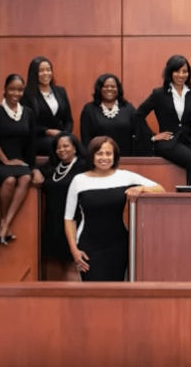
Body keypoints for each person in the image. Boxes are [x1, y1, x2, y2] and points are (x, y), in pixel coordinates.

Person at [64, 136, 165, 281]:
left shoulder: (125, 177)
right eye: (99, 153)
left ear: (115, 156)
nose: (104, 158)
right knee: (93, 290)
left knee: (117, 290)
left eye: (108, 153)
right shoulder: (79, 180)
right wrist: (74, 250)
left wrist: (141, 189)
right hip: (89, 246)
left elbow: (160, 189)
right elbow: (69, 218)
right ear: (92, 156)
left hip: (119, 246)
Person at [0, 73, 44, 245]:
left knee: (25, 178)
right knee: (9, 180)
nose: (15, 93)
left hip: (19, 162)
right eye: (12, 89)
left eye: (19, 90)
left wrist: (33, 167)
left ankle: (5, 223)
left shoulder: (28, 113)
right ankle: (4, 223)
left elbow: (31, 144)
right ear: (4, 90)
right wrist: (6, 161)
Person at [135, 54, 191, 185]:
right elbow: (138, 115)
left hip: (188, 140)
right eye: (177, 71)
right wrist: (153, 136)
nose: (181, 75)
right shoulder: (159, 94)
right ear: (170, 73)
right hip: (168, 143)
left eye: (185, 71)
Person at [40, 132, 88, 281]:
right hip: (54, 221)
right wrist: (35, 172)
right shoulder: (53, 166)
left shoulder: (83, 165)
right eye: (58, 147)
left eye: (66, 146)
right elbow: (35, 168)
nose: (62, 150)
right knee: (56, 263)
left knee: (74, 263)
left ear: (75, 148)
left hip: (74, 220)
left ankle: (78, 296)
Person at [21, 56, 74, 156]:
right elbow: (27, 124)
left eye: (48, 70)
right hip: (38, 137)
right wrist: (48, 131)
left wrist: (65, 135)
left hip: (61, 136)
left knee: (77, 146)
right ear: (34, 73)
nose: (46, 73)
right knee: (55, 145)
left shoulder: (60, 91)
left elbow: (68, 120)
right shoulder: (27, 94)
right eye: (41, 70)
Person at [80, 73, 143, 156]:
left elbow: (139, 132)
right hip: (100, 158)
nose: (109, 89)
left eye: (113, 86)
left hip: (126, 158)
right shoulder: (89, 109)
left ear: (118, 89)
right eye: (105, 86)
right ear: (99, 89)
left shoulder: (128, 108)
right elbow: (85, 138)